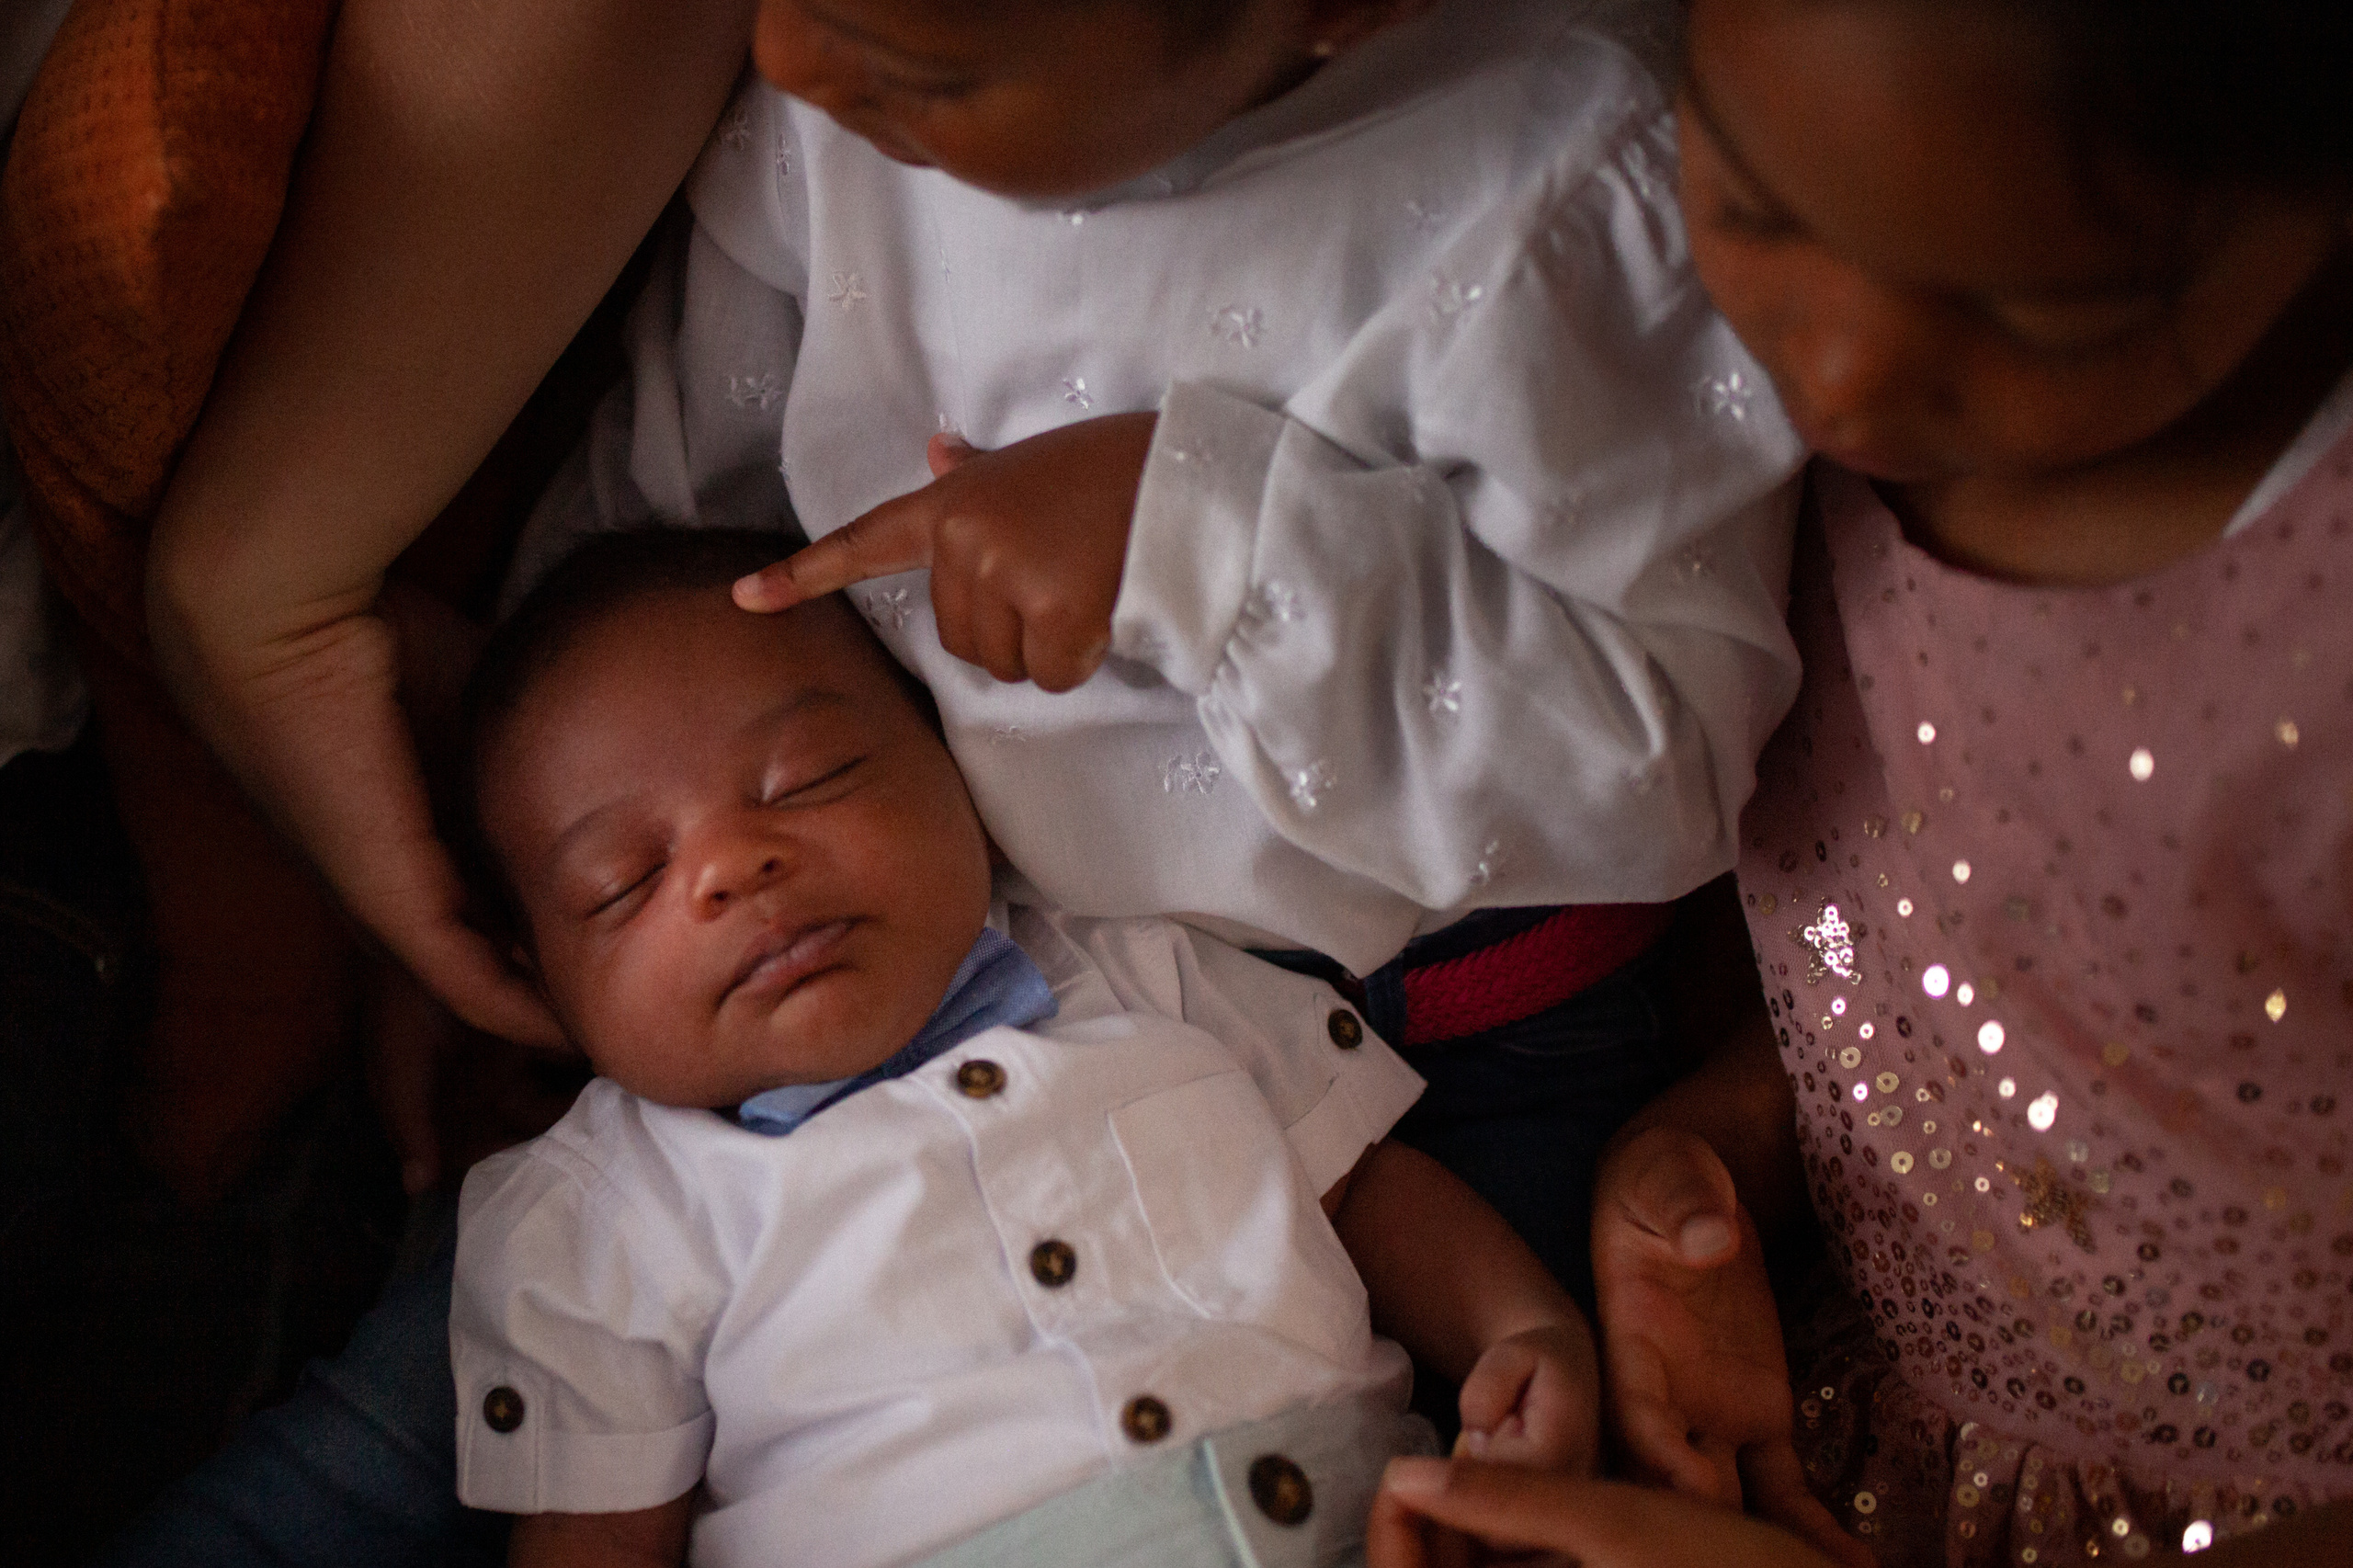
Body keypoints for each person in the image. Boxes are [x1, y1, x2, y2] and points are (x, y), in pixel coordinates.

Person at [497, 0, 1802, 1302]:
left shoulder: (1579, 172)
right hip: (993, 996)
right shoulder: (838, 120)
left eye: (924, 64)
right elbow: (658, 535)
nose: (781, 54)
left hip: (1484, 1032)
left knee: (1518, 1385)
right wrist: (517, 849)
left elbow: (1662, 779)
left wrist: (1199, 541)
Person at [1369, 0, 2353, 1563]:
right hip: (1863, 1423)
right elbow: (1958, 963)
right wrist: (1725, 1144)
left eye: (2039, 317)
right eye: (1754, 208)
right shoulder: (1754, 422)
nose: (1834, 383)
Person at [450, 528, 1596, 1565]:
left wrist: (1521, 1325)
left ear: (954, 761)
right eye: (624, 881)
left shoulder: (1148, 968)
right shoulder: (604, 1217)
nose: (731, 864)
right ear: (537, 979)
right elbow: (598, 1538)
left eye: (811, 778)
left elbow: (1364, 1191)